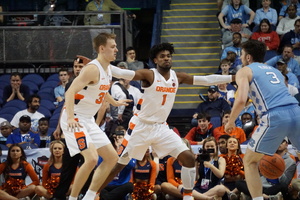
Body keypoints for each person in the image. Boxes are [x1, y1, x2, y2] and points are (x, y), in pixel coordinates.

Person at [94, 41, 234, 200]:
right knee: (118, 165)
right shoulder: (149, 75)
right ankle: (93, 193)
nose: (166, 58)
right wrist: (97, 65)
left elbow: (207, 80)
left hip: (160, 127)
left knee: (188, 158)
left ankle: (188, 196)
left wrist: (233, 77)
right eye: (162, 56)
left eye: (168, 56)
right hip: (140, 126)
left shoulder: (177, 76)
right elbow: (123, 73)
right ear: (155, 60)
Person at [224, 39, 300, 200]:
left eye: (242, 55)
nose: (241, 58)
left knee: (250, 162)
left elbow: (240, 99)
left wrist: (230, 121)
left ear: (248, 57)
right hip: (295, 110)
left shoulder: (244, 71)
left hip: (275, 115)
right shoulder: (275, 71)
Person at [61, 33, 131, 200]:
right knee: (91, 159)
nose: (116, 49)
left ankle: (90, 196)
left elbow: (101, 88)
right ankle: (73, 198)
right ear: (102, 48)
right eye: (113, 46)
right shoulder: (92, 69)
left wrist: (114, 102)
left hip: (88, 120)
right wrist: (70, 117)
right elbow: (70, 91)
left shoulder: (106, 68)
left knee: (112, 157)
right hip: (75, 118)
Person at [51, 56, 84, 200]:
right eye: (75, 66)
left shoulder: (90, 82)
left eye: (80, 66)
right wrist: (59, 127)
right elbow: (65, 107)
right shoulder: (71, 83)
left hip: (86, 127)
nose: (77, 69)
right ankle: (59, 195)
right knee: (68, 167)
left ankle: (86, 193)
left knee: (88, 163)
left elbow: (102, 107)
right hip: (71, 129)